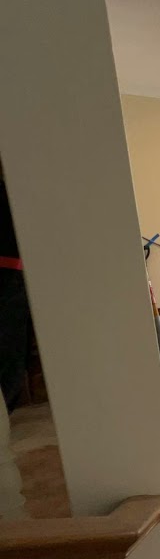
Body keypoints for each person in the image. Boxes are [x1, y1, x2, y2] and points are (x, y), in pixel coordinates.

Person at [0, 158, 31, 414]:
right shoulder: (8, 193)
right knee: (12, 359)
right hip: (11, 278)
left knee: (13, 359)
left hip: (14, 275)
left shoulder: (10, 192)